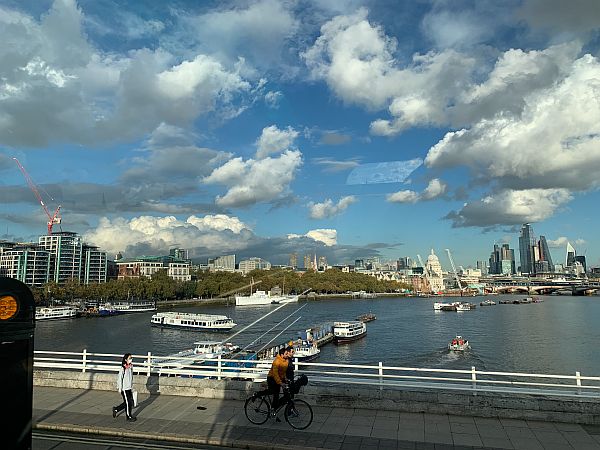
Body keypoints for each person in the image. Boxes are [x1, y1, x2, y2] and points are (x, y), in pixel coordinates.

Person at [255, 346, 293, 413]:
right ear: (282, 355)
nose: (288, 355)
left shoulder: (286, 361)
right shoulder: (276, 362)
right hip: (272, 378)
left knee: (276, 395)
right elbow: (275, 374)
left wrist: (286, 379)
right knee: (272, 391)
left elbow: (283, 372)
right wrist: (280, 383)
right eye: (286, 354)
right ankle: (258, 394)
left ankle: (273, 409)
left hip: (279, 378)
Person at [113, 353, 136, 422]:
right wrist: (120, 388)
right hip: (124, 388)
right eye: (129, 358)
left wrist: (132, 386)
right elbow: (120, 378)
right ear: (126, 359)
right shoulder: (123, 368)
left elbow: (131, 377)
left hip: (129, 387)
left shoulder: (131, 367)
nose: (131, 359)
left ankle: (116, 409)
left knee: (129, 402)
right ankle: (128, 416)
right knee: (128, 403)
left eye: (131, 358)